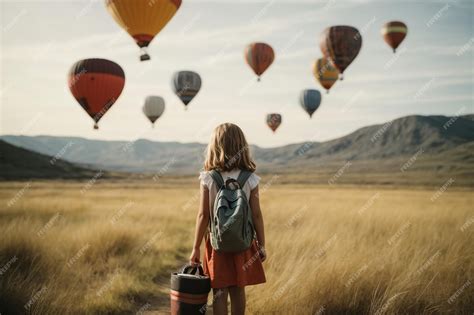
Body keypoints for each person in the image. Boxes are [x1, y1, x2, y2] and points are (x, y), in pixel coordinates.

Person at [189, 123, 266, 315]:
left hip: (217, 243)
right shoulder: (250, 178)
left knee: (219, 291)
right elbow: (256, 214)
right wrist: (262, 244)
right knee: (238, 289)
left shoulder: (208, 177)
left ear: (214, 146)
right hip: (243, 242)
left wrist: (195, 247)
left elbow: (203, 215)